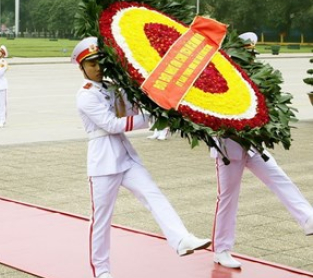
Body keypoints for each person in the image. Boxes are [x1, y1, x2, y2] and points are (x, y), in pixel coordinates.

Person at [73, 37, 210, 278]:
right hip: (103, 160)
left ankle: (181, 239)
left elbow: (132, 110)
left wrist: (146, 94)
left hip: (125, 156)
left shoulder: (112, 86)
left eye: (100, 62)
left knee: (153, 194)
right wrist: (154, 119)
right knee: (102, 220)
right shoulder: (85, 95)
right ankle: (101, 272)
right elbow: (111, 124)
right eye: (91, 63)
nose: (97, 67)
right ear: (81, 67)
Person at [210, 32, 313, 269]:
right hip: (229, 148)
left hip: (254, 146)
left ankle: (307, 218)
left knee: (279, 178)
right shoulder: (222, 77)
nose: (252, 57)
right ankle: (222, 250)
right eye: (248, 53)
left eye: (253, 53)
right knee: (228, 199)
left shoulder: (256, 76)